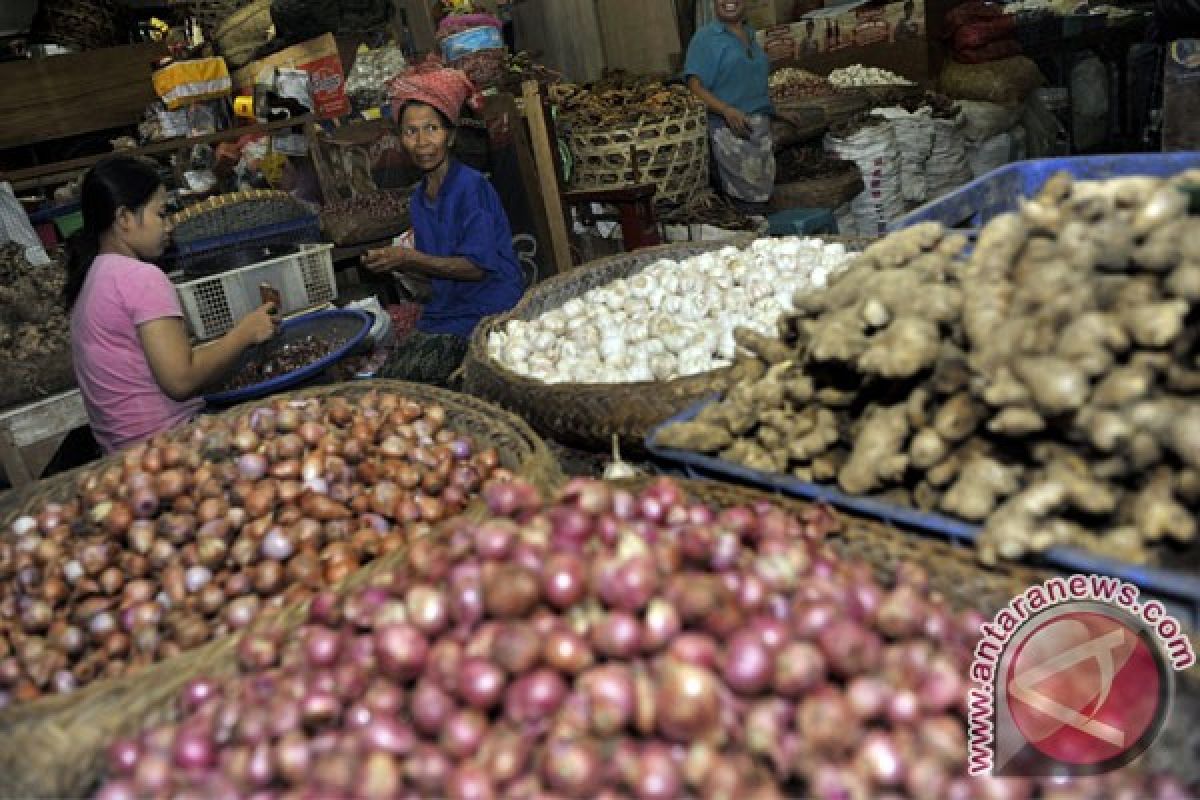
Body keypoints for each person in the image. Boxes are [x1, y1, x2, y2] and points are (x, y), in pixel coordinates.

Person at [67, 156, 278, 453]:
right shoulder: (140, 277)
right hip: (168, 445)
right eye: (161, 214)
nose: (169, 226)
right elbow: (180, 380)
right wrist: (244, 334)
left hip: (121, 454)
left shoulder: (92, 278)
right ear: (125, 218)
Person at [362, 66, 524, 387]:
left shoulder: (471, 187)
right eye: (411, 132)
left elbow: (475, 268)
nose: (422, 142)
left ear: (449, 136)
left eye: (432, 129)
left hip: (487, 309)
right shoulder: (420, 199)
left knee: (410, 388)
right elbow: (434, 274)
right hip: (446, 312)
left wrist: (408, 259)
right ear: (401, 140)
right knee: (386, 382)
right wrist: (396, 266)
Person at [685, 0, 777, 211]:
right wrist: (725, 110)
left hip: (760, 136)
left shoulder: (750, 34)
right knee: (745, 207)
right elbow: (694, 86)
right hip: (731, 134)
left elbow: (750, 83)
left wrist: (776, 110)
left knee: (764, 205)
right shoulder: (706, 38)